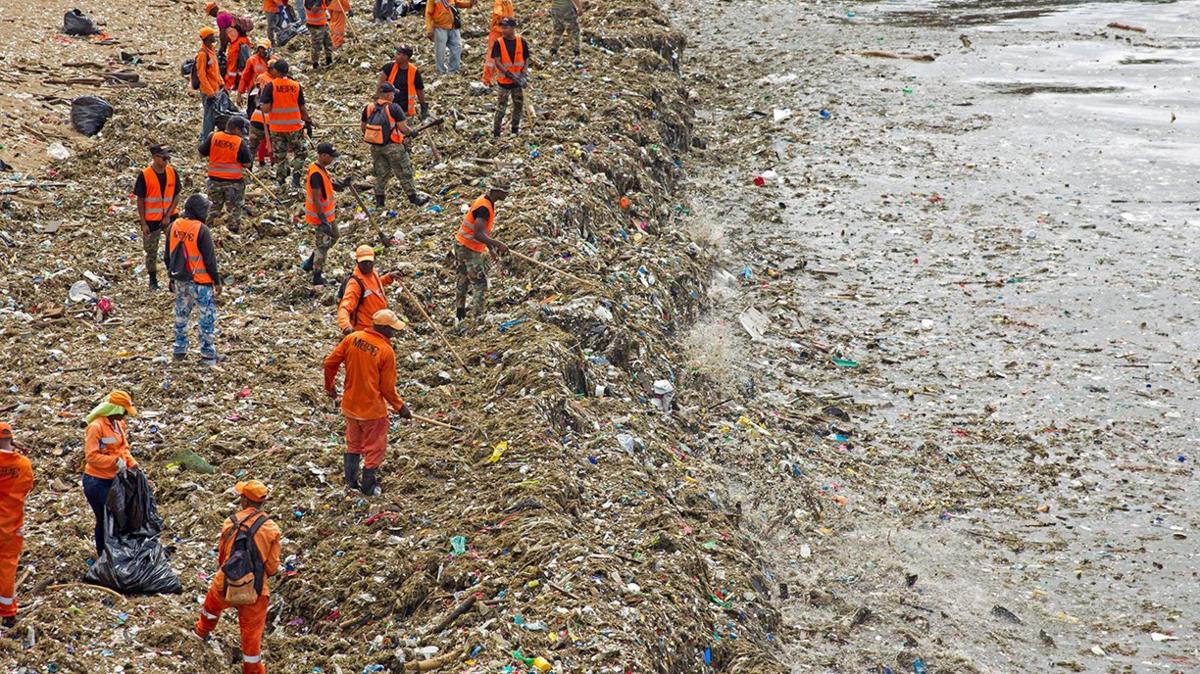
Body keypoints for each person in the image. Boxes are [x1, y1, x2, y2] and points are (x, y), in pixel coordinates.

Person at [193, 479, 281, 674]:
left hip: (226, 580)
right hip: (256, 589)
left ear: (244, 500)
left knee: (211, 608)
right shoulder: (271, 528)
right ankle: (252, 670)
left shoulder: (230, 522)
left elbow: (223, 554)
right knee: (251, 637)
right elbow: (272, 567)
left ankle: (201, 632)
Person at [323, 309, 412, 496]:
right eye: (392, 329)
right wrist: (400, 407)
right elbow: (387, 389)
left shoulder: (352, 338)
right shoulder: (386, 351)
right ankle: (368, 486)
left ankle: (352, 484)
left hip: (350, 406)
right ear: (383, 328)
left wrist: (329, 387)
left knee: (353, 444)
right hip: (372, 411)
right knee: (375, 448)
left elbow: (330, 363)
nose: (394, 333)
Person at [165, 195, 223, 365]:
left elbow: (167, 256)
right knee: (206, 317)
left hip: (181, 280)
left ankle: (179, 350)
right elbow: (210, 260)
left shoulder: (174, 226)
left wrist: (171, 277)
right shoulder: (201, 229)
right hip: (201, 282)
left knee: (181, 315)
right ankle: (207, 354)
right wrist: (217, 281)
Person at [82, 391, 139, 557]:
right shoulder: (96, 427)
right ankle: (103, 556)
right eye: (124, 410)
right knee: (105, 518)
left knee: (117, 518)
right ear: (114, 409)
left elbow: (123, 448)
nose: (126, 414)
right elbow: (91, 456)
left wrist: (132, 464)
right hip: (97, 481)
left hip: (114, 480)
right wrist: (114, 462)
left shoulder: (119, 426)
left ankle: (115, 553)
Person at [362, 83, 428, 209]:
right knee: (404, 172)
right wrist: (412, 132)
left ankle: (379, 203)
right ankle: (414, 199)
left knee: (381, 174)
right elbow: (403, 128)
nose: (394, 96)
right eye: (392, 93)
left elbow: (363, 127)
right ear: (387, 94)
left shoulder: (369, 107)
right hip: (393, 146)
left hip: (375, 147)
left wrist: (376, 138)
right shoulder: (394, 108)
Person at [454, 181, 510, 323]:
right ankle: (478, 318)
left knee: (463, 279)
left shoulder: (484, 200)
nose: (507, 194)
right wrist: (498, 244)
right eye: (505, 191)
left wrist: (491, 249)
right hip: (469, 249)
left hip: (461, 244)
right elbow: (478, 234)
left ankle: (459, 314)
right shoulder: (484, 207)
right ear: (497, 191)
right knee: (480, 283)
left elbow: (482, 232)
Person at [259, 60, 313, 189]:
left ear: (276, 71)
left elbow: (265, 109)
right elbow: (302, 109)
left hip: (276, 128)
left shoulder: (270, 86)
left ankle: (281, 180)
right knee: (300, 153)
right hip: (294, 127)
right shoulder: (296, 85)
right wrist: (308, 121)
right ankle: (296, 177)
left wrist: (261, 103)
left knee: (281, 155)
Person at [0, 422, 33, 630]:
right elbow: (27, 487)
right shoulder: (23, 464)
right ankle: (7, 612)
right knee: (8, 566)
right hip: (11, 524)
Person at [134, 145, 180, 290]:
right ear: (154, 157)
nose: (166, 160)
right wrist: (143, 223)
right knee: (151, 251)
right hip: (151, 220)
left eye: (168, 157)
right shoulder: (145, 175)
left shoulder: (172, 172)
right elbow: (140, 200)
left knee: (175, 248)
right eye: (163, 157)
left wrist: (168, 215)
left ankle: (173, 279)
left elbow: (176, 195)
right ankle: (153, 280)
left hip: (170, 217)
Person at [199, 116, 252, 233]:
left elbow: (201, 154)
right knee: (234, 210)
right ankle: (232, 233)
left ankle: (206, 231)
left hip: (214, 181)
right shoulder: (239, 142)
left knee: (213, 208)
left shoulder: (213, 136)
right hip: (233, 184)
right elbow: (247, 164)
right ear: (237, 129)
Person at [300, 143, 342, 285]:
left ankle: (310, 262)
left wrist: (342, 185)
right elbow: (317, 198)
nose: (332, 160)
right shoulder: (316, 174)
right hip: (320, 216)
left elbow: (328, 186)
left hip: (328, 215)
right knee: (323, 245)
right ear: (323, 156)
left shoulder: (321, 168)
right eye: (331, 157)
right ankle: (317, 276)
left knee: (334, 237)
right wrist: (323, 220)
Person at [338, 245, 396, 335]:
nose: (367, 265)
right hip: (365, 330)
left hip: (379, 326)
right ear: (357, 262)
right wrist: (345, 326)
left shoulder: (373, 272)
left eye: (369, 262)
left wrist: (388, 277)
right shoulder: (355, 283)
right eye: (364, 262)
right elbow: (344, 307)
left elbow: (373, 286)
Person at [490, 18, 532, 137]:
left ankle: (515, 129)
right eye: (502, 27)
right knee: (501, 108)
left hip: (518, 81)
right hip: (504, 81)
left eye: (506, 27)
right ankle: (496, 132)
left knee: (518, 106)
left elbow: (526, 59)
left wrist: (523, 74)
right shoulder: (499, 42)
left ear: (513, 28)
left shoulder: (521, 41)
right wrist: (509, 74)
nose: (503, 30)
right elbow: (497, 62)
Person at [379, 46, 428, 120]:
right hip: (388, 109)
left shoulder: (414, 72)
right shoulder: (389, 68)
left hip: (405, 111)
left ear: (405, 57)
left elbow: (419, 90)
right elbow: (380, 86)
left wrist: (423, 107)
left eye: (398, 54)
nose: (395, 55)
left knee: (404, 129)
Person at [425, 0, 473, 75]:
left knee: (457, 47)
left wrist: (470, 3)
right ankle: (441, 71)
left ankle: (453, 70)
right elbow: (428, 13)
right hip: (439, 27)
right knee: (440, 50)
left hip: (453, 26)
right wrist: (429, 29)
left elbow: (458, 3)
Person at [195, 27, 225, 142]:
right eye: (212, 35)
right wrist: (209, 92)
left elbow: (215, 70)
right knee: (209, 117)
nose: (215, 37)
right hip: (209, 92)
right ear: (207, 38)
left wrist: (221, 82)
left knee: (212, 115)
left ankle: (206, 136)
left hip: (215, 89)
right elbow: (201, 75)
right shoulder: (202, 54)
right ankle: (206, 140)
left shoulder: (211, 50)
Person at [481, 0, 513, 86]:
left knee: (493, 56)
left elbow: (498, 14)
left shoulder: (500, 2)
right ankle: (493, 79)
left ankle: (487, 80)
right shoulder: (508, 2)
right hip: (504, 31)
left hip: (498, 31)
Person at [237, 39, 272, 110]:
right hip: (256, 91)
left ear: (269, 49)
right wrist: (239, 94)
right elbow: (244, 77)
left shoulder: (274, 61)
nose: (262, 50)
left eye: (264, 49)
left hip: (270, 91)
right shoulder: (252, 60)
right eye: (260, 48)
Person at [305, 0, 334, 69]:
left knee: (328, 42)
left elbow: (327, 4)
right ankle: (315, 64)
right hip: (315, 26)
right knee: (317, 46)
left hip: (323, 23)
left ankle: (329, 60)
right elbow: (313, 10)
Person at [224, 25, 252, 91]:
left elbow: (232, 68)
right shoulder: (244, 39)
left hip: (237, 79)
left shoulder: (235, 46)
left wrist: (228, 85)